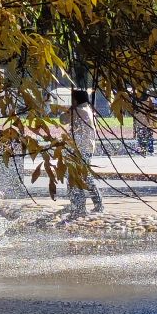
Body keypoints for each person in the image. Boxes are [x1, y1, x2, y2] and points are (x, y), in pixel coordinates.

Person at [62, 88, 104, 220]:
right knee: (86, 176)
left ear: (76, 99)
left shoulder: (77, 110)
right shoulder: (88, 109)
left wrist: (69, 109)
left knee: (73, 177)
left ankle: (79, 206)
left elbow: (62, 120)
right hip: (86, 148)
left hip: (78, 149)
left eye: (72, 98)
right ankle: (98, 203)